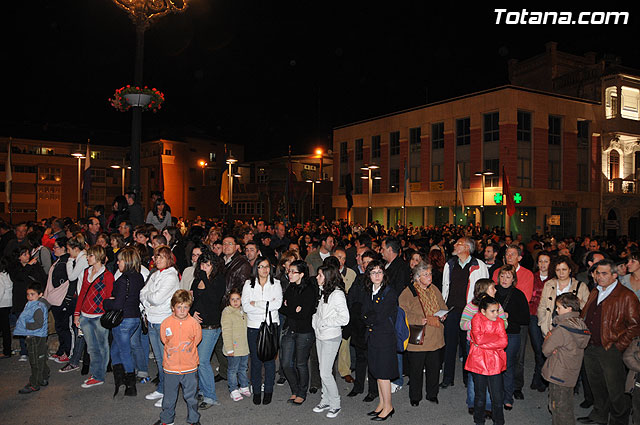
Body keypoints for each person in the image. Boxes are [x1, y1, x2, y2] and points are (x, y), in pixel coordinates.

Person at [578, 259, 640, 425]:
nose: (599, 276)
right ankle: (599, 415)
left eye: (604, 273)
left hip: (610, 348)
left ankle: (619, 420)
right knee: (596, 385)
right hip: (590, 346)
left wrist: (618, 346)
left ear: (615, 275)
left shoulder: (626, 296)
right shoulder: (595, 291)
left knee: (615, 389)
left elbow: (635, 325)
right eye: (597, 273)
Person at [441, 237, 489, 389]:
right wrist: (443, 307)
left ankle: (467, 377)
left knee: (467, 345)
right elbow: (445, 288)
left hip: (470, 312)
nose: (454, 245)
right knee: (449, 345)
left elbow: (484, 290)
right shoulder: (450, 264)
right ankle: (448, 378)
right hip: (452, 310)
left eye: (458, 243)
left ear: (467, 247)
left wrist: (480, 311)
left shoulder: (479, 265)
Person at [399, 261, 447, 407]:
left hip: (435, 336)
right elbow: (402, 313)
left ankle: (432, 394)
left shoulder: (434, 289)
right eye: (425, 274)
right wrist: (418, 319)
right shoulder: (409, 292)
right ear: (417, 277)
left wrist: (444, 314)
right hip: (419, 337)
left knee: (434, 369)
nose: (429, 276)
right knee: (416, 371)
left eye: (430, 273)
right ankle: (415, 397)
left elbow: (442, 305)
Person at [460, 278, 508, 417]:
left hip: (493, 350)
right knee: (475, 378)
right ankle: (473, 403)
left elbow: (503, 324)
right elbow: (463, 324)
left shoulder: (496, 306)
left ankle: (487, 406)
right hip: (475, 347)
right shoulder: (471, 307)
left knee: (492, 378)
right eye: (493, 288)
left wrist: (486, 331)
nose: (496, 290)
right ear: (484, 290)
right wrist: (477, 326)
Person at [140, 245, 181, 408]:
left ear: (169, 259)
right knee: (159, 359)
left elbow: (156, 298)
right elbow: (142, 292)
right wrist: (148, 298)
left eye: (162, 257)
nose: (157, 260)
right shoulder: (156, 274)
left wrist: (148, 298)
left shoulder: (171, 276)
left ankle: (169, 392)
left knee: (167, 360)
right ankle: (162, 388)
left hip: (164, 321)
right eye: (156, 257)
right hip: (152, 319)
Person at [153, 290, 202, 425]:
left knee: (191, 397)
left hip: (190, 367)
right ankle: (167, 419)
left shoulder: (194, 323)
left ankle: (193, 419)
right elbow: (164, 339)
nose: (182, 310)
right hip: (171, 367)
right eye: (179, 307)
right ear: (173, 307)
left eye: (185, 307)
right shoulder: (166, 323)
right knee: (169, 397)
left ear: (189, 308)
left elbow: (196, 340)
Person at [541, 293, 591, 425]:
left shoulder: (562, 329)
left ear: (569, 309)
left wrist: (548, 338)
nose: (556, 310)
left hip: (558, 372)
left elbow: (546, 350)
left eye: (559, 307)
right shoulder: (581, 325)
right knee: (566, 404)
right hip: (571, 372)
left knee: (558, 407)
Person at [103, 247, 145, 397]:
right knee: (116, 349)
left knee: (124, 351)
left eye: (120, 260)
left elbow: (117, 305)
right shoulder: (138, 277)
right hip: (134, 318)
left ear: (126, 261)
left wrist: (106, 302)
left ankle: (130, 384)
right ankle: (120, 379)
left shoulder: (123, 280)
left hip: (123, 320)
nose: (118, 263)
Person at [242, 256, 282, 405]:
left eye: (267, 266)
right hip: (253, 326)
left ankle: (269, 390)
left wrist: (257, 303)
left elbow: (277, 304)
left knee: (270, 360)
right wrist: (266, 305)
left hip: (272, 326)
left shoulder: (276, 283)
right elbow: (246, 306)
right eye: (261, 267)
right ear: (256, 268)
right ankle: (257, 390)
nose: (264, 270)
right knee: (256, 360)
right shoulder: (248, 284)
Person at [311, 264, 349, 419]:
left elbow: (345, 318)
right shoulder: (324, 292)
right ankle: (325, 400)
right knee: (322, 370)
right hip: (321, 335)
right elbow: (319, 312)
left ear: (328, 277)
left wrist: (325, 322)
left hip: (331, 337)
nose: (317, 277)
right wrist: (316, 322)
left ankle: (335, 404)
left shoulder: (337, 294)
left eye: (320, 275)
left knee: (325, 373)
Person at [362, 260, 398, 421]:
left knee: (383, 373)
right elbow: (363, 311)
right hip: (373, 335)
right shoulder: (371, 290)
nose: (376, 275)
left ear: (384, 274)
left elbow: (379, 315)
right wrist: (368, 317)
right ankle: (382, 403)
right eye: (373, 272)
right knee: (376, 371)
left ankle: (389, 406)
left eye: (379, 272)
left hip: (384, 337)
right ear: (368, 275)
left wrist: (368, 317)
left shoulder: (389, 292)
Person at [74, 245, 114, 388]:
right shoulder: (86, 272)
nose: (87, 258)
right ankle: (96, 374)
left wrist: (105, 312)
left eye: (90, 255)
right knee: (91, 348)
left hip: (99, 316)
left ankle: (98, 375)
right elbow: (82, 294)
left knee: (102, 347)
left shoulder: (108, 275)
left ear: (98, 257)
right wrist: (77, 313)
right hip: (85, 316)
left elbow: (109, 298)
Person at [190, 250, 226, 410]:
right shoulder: (196, 279)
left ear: (214, 265)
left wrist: (204, 277)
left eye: (208, 264)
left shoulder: (218, 280)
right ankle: (203, 390)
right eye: (202, 263)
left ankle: (210, 396)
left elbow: (213, 299)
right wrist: (192, 314)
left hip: (211, 326)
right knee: (197, 361)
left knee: (203, 361)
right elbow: (192, 300)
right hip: (196, 325)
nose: (204, 267)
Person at [280, 260, 317, 405]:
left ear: (301, 274)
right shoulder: (290, 288)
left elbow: (304, 314)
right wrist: (293, 309)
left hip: (304, 332)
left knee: (301, 364)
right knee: (286, 363)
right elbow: (282, 308)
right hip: (290, 329)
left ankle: (302, 392)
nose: (289, 274)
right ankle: (295, 389)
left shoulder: (309, 290)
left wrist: (290, 308)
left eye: (293, 272)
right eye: (289, 271)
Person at [494, 264, 529, 410]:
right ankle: (495, 396)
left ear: (513, 279)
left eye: (508, 277)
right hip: (493, 334)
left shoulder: (518, 295)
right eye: (502, 276)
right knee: (494, 366)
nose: (504, 279)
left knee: (507, 366)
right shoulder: (492, 292)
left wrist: (510, 316)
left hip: (511, 334)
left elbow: (525, 318)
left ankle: (508, 397)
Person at [538, 255, 590, 337]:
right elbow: (542, 306)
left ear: (570, 270)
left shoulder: (581, 286)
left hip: (572, 330)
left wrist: (577, 301)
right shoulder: (548, 284)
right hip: (550, 328)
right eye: (558, 270)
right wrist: (542, 323)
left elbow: (587, 308)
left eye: (564, 269)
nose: (561, 273)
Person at [14, 282, 51, 394]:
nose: (29, 297)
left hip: (35, 336)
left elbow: (38, 324)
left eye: (32, 294)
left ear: (40, 294)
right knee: (41, 357)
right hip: (38, 335)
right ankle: (44, 376)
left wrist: (24, 325)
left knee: (35, 360)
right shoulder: (36, 304)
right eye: (28, 294)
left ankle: (35, 383)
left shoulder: (37, 307)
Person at [44, 237, 73, 363]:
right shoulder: (60, 261)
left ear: (63, 248)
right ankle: (61, 350)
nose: (53, 249)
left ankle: (66, 352)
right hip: (57, 299)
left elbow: (60, 281)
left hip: (61, 299)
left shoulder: (64, 262)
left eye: (55, 247)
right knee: (60, 327)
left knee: (64, 327)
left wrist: (55, 292)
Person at [221, 287, 251, 401]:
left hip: (244, 347)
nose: (235, 302)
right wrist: (229, 348)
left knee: (243, 368)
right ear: (229, 300)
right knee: (233, 369)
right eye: (232, 299)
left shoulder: (244, 311)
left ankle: (243, 386)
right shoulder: (227, 312)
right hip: (234, 347)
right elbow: (226, 331)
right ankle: (233, 388)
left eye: (237, 299)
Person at [0, 257, 11, 359]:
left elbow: (0, 292)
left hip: (2, 304)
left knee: (4, 329)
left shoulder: (0, 277)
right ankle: (7, 350)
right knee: (5, 328)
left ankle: (6, 350)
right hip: (7, 304)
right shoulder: (7, 275)